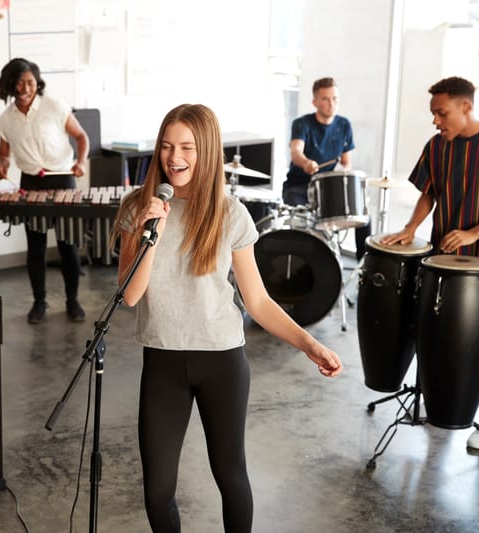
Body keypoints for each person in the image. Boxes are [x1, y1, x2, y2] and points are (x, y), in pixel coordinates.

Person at [112, 104, 343, 532]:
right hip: (162, 359)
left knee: (230, 474)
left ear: (207, 150)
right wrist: (150, 234)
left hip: (221, 359)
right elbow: (130, 295)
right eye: (167, 146)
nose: (174, 157)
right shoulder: (138, 208)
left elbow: (258, 301)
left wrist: (310, 345)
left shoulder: (230, 213)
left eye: (187, 147)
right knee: (157, 490)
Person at [382, 76, 479, 450]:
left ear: (466, 107)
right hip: (441, 258)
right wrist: (410, 227)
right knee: (434, 328)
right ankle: (436, 400)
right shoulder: (437, 146)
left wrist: (473, 232)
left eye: (442, 113)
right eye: (433, 114)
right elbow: (429, 193)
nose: (436, 121)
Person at [0, 57, 90, 324]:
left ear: (37, 83)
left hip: (62, 180)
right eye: (20, 82)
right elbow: (3, 154)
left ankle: (73, 301)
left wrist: (81, 162)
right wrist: (1, 165)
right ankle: (39, 302)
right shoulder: (5, 120)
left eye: (31, 82)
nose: (26, 88)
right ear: (9, 85)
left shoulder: (54, 106)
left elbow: (81, 136)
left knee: (67, 245)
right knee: (35, 247)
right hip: (31, 184)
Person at [284, 76, 371, 259]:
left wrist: (342, 172)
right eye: (325, 99)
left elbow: (346, 162)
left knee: (364, 216)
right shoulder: (302, 123)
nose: (331, 104)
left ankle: (363, 265)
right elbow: (296, 152)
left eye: (335, 98)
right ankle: (299, 261)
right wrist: (306, 163)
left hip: (328, 190)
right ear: (315, 102)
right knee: (300, 226)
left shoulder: (344, 124)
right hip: (299, 187)